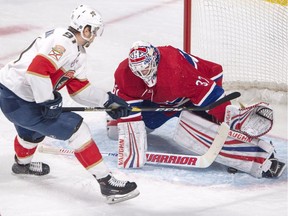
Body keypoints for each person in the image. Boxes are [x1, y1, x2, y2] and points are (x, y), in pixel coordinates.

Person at [0, 5, 139, 204]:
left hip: (17, 97)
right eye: (94, 30)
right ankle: (107, 184)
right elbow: (36, 72)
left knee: (31, 133)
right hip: (18, 99)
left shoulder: (77, 51)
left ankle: (22, 165)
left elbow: (79, 90)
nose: (95, 35)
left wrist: (108, 101)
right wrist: (48, 101)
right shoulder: (63, 41)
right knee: (78, 129)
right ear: (85, 29)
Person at [106, 40, 286, 178]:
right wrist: (119, 112)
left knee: (199, 132)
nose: (143, 73)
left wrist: (228, 120)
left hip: (195, 92)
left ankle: (259, 158)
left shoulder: (175, 71)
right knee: (115, 131)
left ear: (155, 59)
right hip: (163, 101)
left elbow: (212, 96)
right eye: (137, 70)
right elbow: (126, 111)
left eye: (146, 68)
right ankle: (230, 128)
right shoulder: (124, 74)